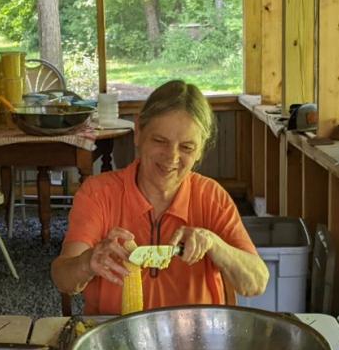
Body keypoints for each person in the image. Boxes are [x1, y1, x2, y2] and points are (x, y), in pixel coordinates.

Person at [51, 80, 269, 313]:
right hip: (114, 333)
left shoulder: (212, 197)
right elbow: (63, 278)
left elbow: (255, 283)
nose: (171, 157)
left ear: (200, 150)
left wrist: (214, 244)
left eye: (186, 147)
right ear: (139, 133)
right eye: (159, 141)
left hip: (196, 340)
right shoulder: (98, 193)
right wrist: (88, 262)